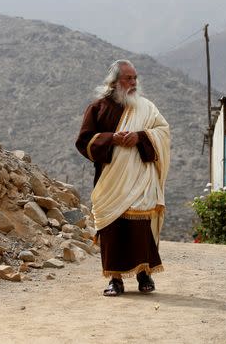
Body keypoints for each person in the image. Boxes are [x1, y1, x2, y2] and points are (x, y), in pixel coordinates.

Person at [75, 59, 170, 296]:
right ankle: (114, 280)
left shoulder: (146, 107)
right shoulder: (97, 108)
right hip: (111, 181)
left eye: (135, 78)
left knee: (140, 227)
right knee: (112, 228)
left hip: (140, 179)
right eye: (128, 78)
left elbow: (162, 132)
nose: (134, 82)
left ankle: (143, 274)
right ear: (115, 82)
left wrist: (140, 137)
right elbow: (84, 142)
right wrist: (112, 139)